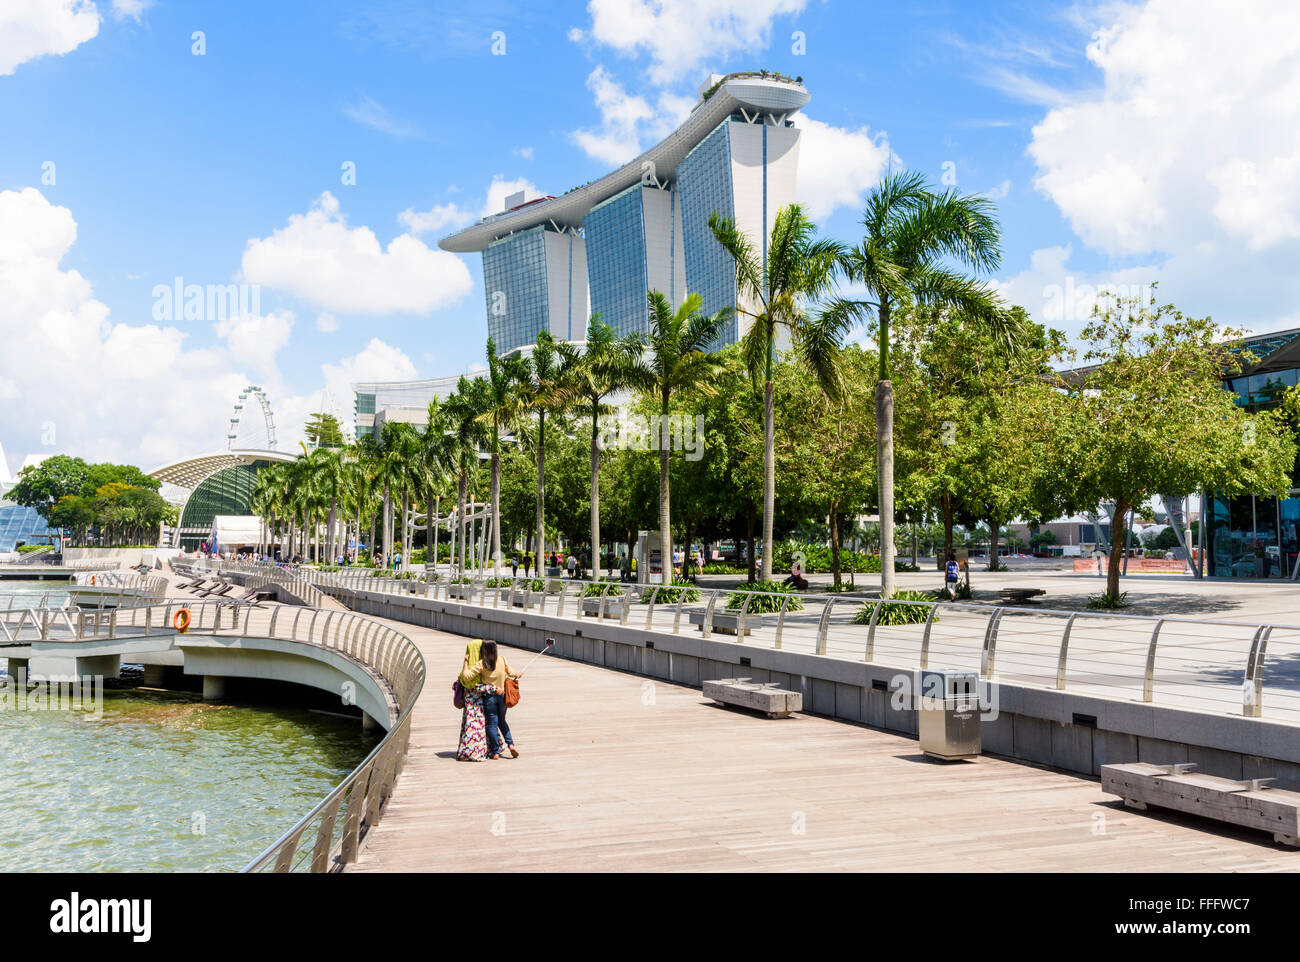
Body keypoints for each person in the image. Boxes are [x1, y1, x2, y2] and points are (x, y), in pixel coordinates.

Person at [461, 640, 520, 760]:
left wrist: (466, 661)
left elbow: (466, 677)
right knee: (502, 721)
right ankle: (511, 744)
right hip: (502, 696)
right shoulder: (502, 660)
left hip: (489, 698)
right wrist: (518, 674)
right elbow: (512, 673)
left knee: (492, 723)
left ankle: (495, 751)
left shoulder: (482, 663)